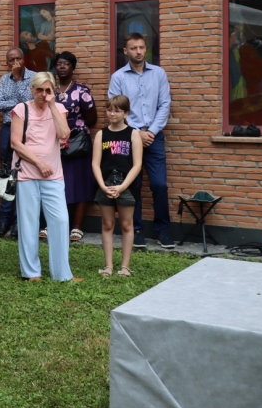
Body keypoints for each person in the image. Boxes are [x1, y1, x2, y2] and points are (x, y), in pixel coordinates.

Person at [10, 72, 81, 283]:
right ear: (31, 89)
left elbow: (64, 134)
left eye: (47, 90)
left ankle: (62, 274)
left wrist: (52, 106)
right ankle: (31, 272)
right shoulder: (21, 109)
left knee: (60, 221)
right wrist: (39, 163)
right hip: (27, 174)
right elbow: (15, 143)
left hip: (54, 175)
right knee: (28, 223)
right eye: (39, 89)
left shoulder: (58, 109)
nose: (43, 93)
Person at [108, 33, 174, 249]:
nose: (138, 51)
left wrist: (151, 131)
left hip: (154, 137)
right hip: (128, 137)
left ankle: (163, 230)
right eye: (133, 48)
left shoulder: (158, 74)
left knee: (159, 184)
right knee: (132, 185)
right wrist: (137, 133)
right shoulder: (118, 77)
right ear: (125, 51)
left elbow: (164, 104)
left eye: (141, 47)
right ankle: (135, 230)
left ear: (146, 49)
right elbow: (115, 109)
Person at [91, 95, 143, 278]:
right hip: (105, 184)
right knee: (107, 224)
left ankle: (125, 266)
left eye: (117, 110)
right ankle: (108, 266)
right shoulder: (101, 134)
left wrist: (122, 187)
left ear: (126, 113)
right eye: (109, 110)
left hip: (126, 186)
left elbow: (137, 164)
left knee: (127, 225)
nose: (112, 114)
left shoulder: (133, 134)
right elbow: (95, 164)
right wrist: (103, 186)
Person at [53, 51, 97, 242]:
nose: (62, 67)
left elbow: (92, 118)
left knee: (80, 182)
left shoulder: (81, 90)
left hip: (78, 144)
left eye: (66, 64)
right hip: (54, 144)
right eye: (59, 64)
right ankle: (53, 224)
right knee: (55, 184)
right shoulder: (49, 90)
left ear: (73, 67)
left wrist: (73, 129)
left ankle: (77, 226)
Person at [0, 47, 35, 239]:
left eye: (18, 58)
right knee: (6, 172)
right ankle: (4, 220)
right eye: (11, 60)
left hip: (29, 130)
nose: (15, 62)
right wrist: (20, 103)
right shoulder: (4, 79)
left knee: (24, 173)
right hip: (8, 128)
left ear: (24, 59)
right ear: (7, 62)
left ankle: (19, 221)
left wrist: (18, 81)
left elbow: (32, 103)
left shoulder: (34, 78)